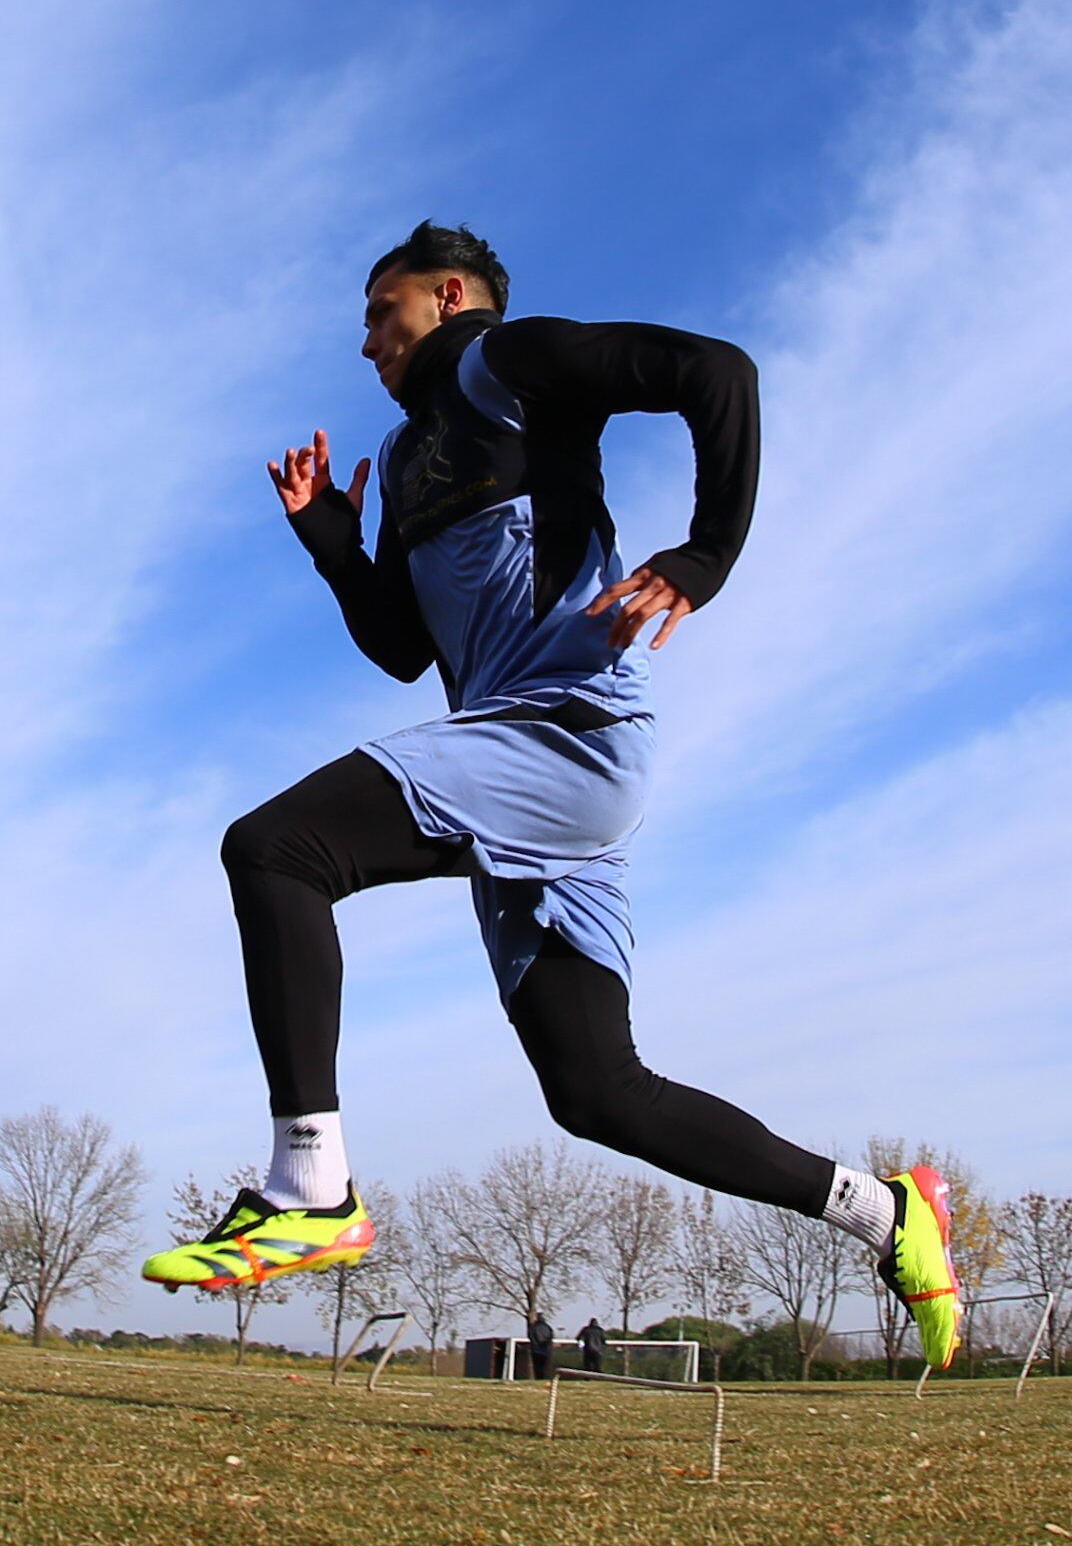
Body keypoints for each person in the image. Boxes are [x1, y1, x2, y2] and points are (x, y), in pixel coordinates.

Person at [140, 224, 962, 1366]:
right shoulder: (408, 448)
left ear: (446, 294)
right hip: (511, 761)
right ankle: (888, 1214)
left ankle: (309, 1183)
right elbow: (397, 646)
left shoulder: (505, 362)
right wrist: (331, 536)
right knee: (596, 1089)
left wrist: (705, 555)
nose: (366, 338)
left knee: (278, 849)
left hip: (568, 736)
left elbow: (718, 372)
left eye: (382, 312)